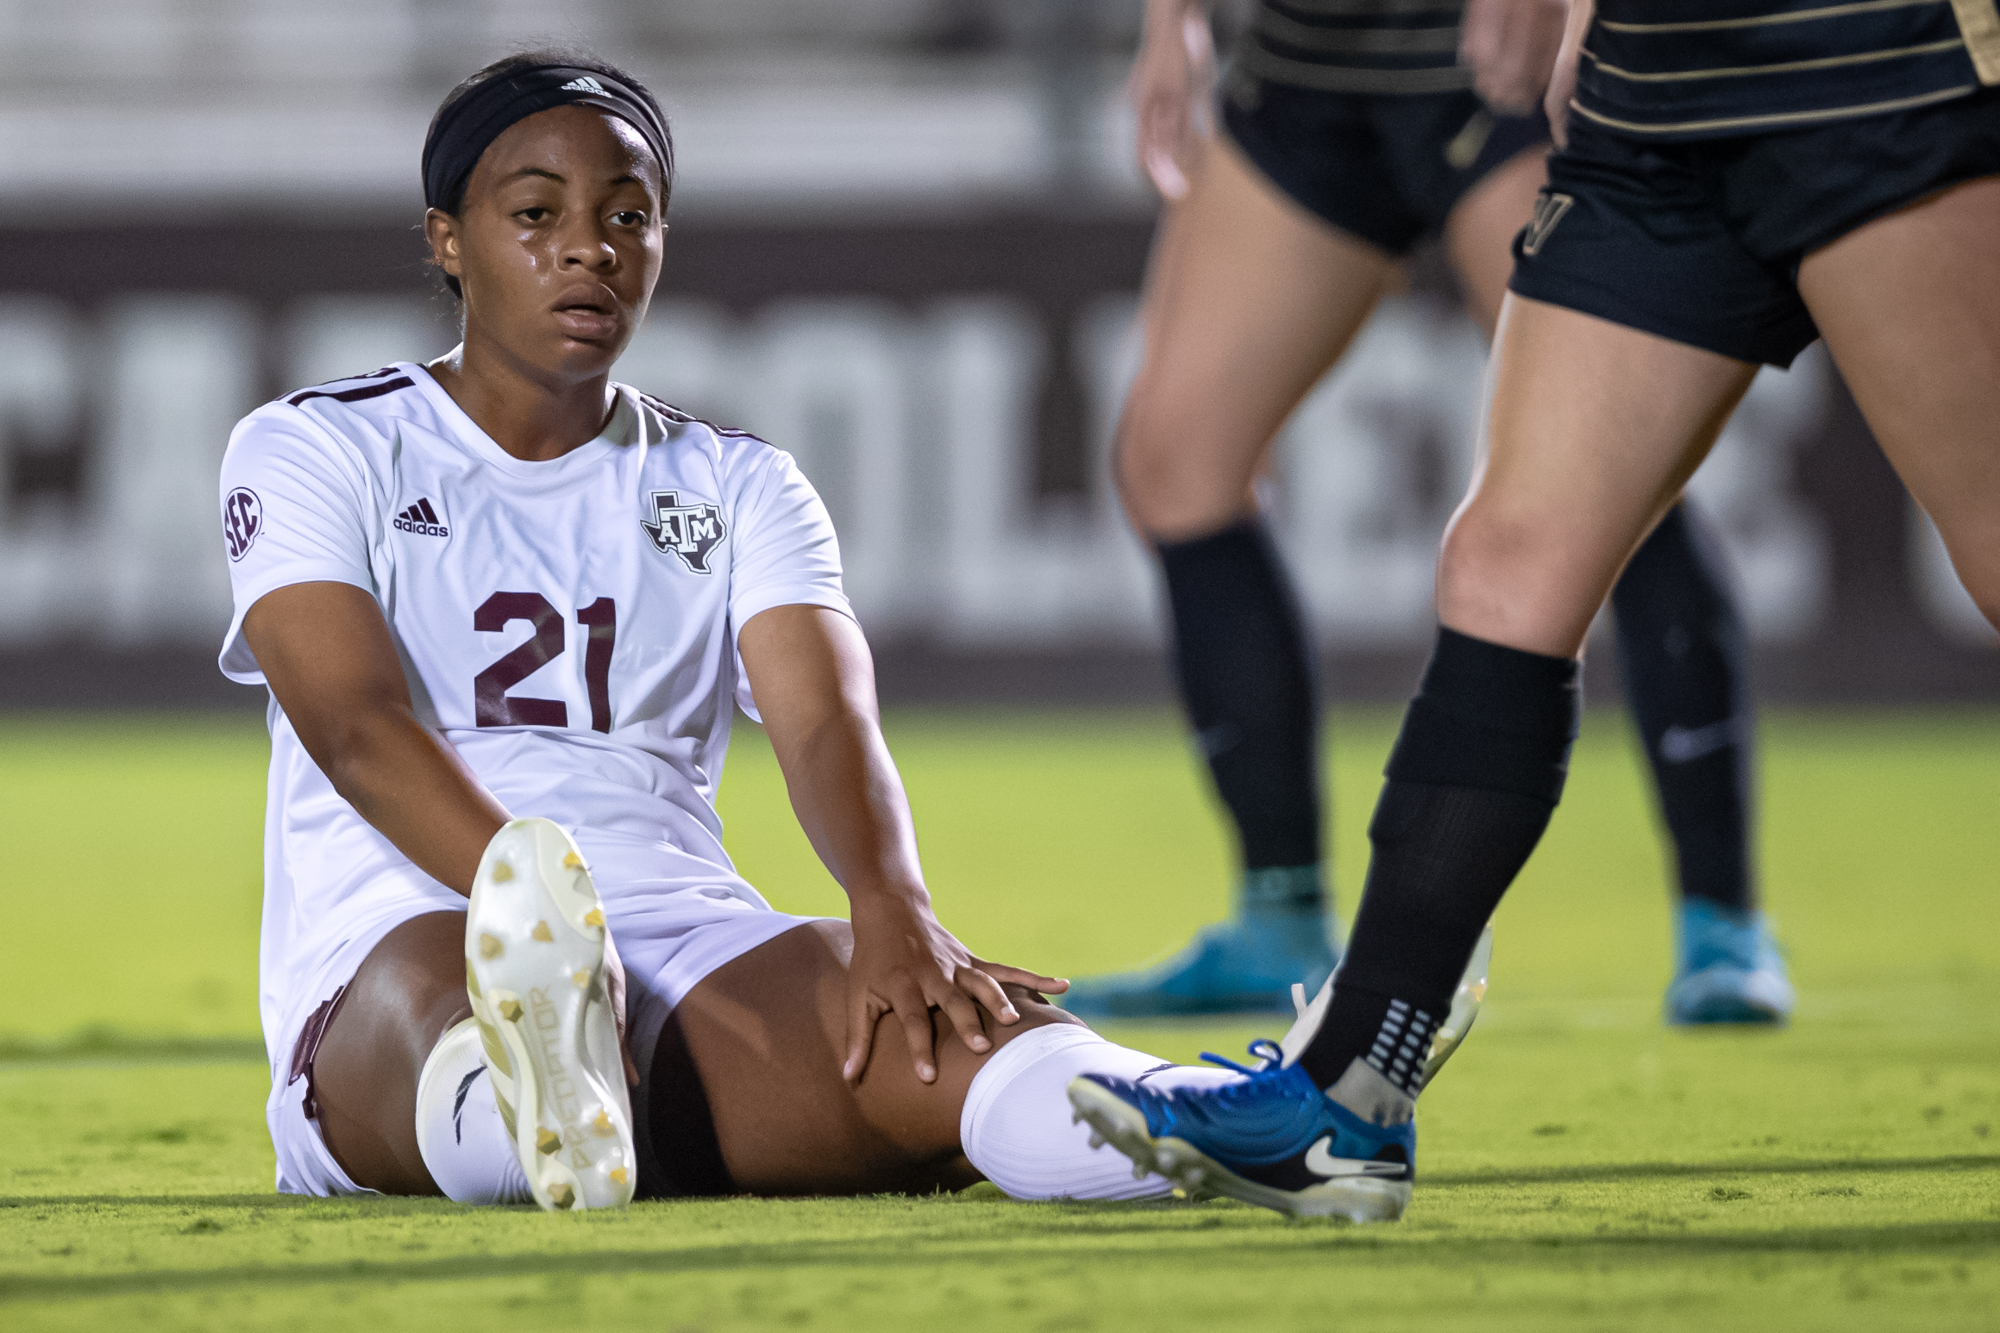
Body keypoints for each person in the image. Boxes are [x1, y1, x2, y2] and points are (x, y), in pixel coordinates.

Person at [220, 50, 1281, 1211]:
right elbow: (355, 726)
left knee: (921, 1015)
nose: (590, 247)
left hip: (680, 933)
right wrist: (524, 906)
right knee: (444, 981)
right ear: (446, 240)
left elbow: (825, 718)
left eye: (629, 215)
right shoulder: (318, 445)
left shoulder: (736, 482)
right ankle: (529, 1109)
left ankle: (1249, 1131)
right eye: (536, 213)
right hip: (412, 922)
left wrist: (893, 909)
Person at [1071, 0, 2000, 1220]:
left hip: (1869, 65)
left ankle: (1719, 918)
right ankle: (1346, 1099)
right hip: (1645, 92)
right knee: (1506, 561)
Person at [1061, 0, 1789, 1026]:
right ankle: (1277, 916)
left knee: (1607, 462)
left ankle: (1721, 918)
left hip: (1489, 61)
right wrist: (1170, 24)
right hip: (1303, 68)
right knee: (1174, 463)